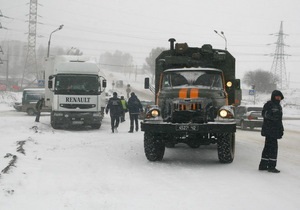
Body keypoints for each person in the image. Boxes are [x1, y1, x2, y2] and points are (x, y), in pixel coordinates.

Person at [259, 90, 284, 173]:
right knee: (273, 148)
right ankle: (271, 166)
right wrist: (273, 118)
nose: (278, 98)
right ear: (273, 96)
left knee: (267, 147)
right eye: (277, 96)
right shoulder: (269, 104)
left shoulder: (279, 106)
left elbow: (279, 120)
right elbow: (265, 114)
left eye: (279, 97)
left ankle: (263, 165)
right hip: (270, 129)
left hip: (275, 129)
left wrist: (281, 129)